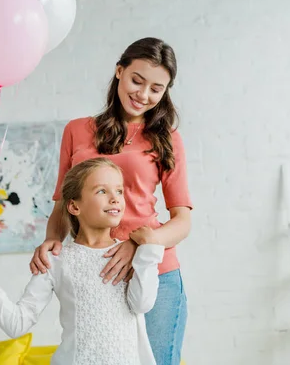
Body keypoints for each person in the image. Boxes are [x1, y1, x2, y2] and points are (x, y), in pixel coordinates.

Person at [29, 37, 192, 364]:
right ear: (120, 71)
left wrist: (140, 244)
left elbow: (182, 220)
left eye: (156, 88)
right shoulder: (77, 131)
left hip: (155, 274)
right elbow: (63, 205)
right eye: (137, 80)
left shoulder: (167, 138)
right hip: (95, 274)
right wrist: (51, 243)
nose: (143, 94)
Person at [0, 158, 164, 365]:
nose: (115, 199)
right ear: (74, 206)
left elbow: (142, 304)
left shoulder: (132, 255)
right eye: (102, 191)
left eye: (119, 191)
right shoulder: (55, 260)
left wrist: (149, 251)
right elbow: (17, 323)